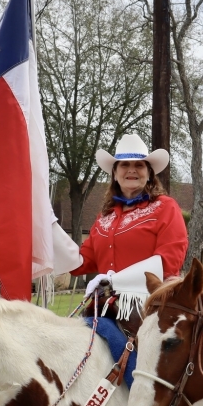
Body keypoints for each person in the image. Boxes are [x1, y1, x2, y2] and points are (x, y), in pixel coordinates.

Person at [68, 133, 187, 321]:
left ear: (149, 174)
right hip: (104, 309)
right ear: (115, 173)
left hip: (149, 308)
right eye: (124, 165)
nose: (132, 170)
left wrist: (113, 281)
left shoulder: (166, 207)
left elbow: (168, 263)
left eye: (139, 165)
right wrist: (51, 234)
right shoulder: (104, 218)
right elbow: (82, 262)